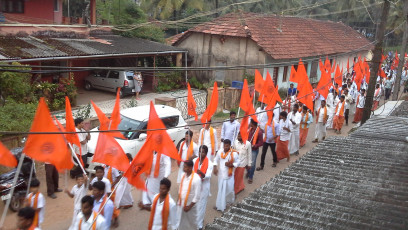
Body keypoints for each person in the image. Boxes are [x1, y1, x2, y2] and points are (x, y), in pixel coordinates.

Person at [213, 139, 239, 212]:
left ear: (230, 146)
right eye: (224, 146)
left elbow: (238, 162)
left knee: (229, 190)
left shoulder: (234, 153)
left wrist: (231, 165)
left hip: (229, 176)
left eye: (227, 146)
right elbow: (215, 160)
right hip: (221, 175)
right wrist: (215, 167)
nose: (225, 148)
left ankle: (230, 201)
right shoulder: (220, 152)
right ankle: (220, 205)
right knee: (221, 190)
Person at [176, 160, 202, 230]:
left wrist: (189, 206)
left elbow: (197, 196)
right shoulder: (182, 175)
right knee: (180, 221)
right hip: (181, 204)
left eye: (185, 167)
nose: (183, 168)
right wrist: (178, 200)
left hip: (190, 206)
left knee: (192, 223)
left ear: (190, 168)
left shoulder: (196, 179)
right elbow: (180, 189)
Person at [193, 146, 213, 230]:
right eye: (199, 152)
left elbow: (208, 175)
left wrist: (201, 173)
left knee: (201, 206)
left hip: (204, 187)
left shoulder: (210, 163)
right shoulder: (195, 161)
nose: (201, 154)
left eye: (203, 152)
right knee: (194, 205)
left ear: (206, 153)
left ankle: (199, 225)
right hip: (195, 187)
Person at [246, 119, 263, 184]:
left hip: (254, 150)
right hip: (247, 149)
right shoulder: (250, 130)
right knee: (246, 162)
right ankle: (248, 171)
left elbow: (261, 143)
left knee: (252, 164)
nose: (249, 123)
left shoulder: (259, 132)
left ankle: (251, 177)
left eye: (250, 122)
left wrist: (254, 145)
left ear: (252, 123)